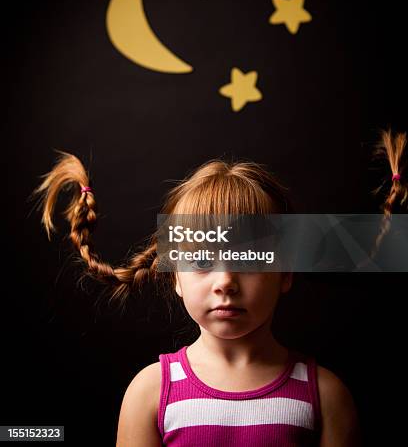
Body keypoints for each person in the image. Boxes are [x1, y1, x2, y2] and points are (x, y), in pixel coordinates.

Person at [30, 129, 407, 446]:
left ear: (286, 273)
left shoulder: (325, 396)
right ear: (174, 275)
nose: (225, 281)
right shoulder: (150, 392)